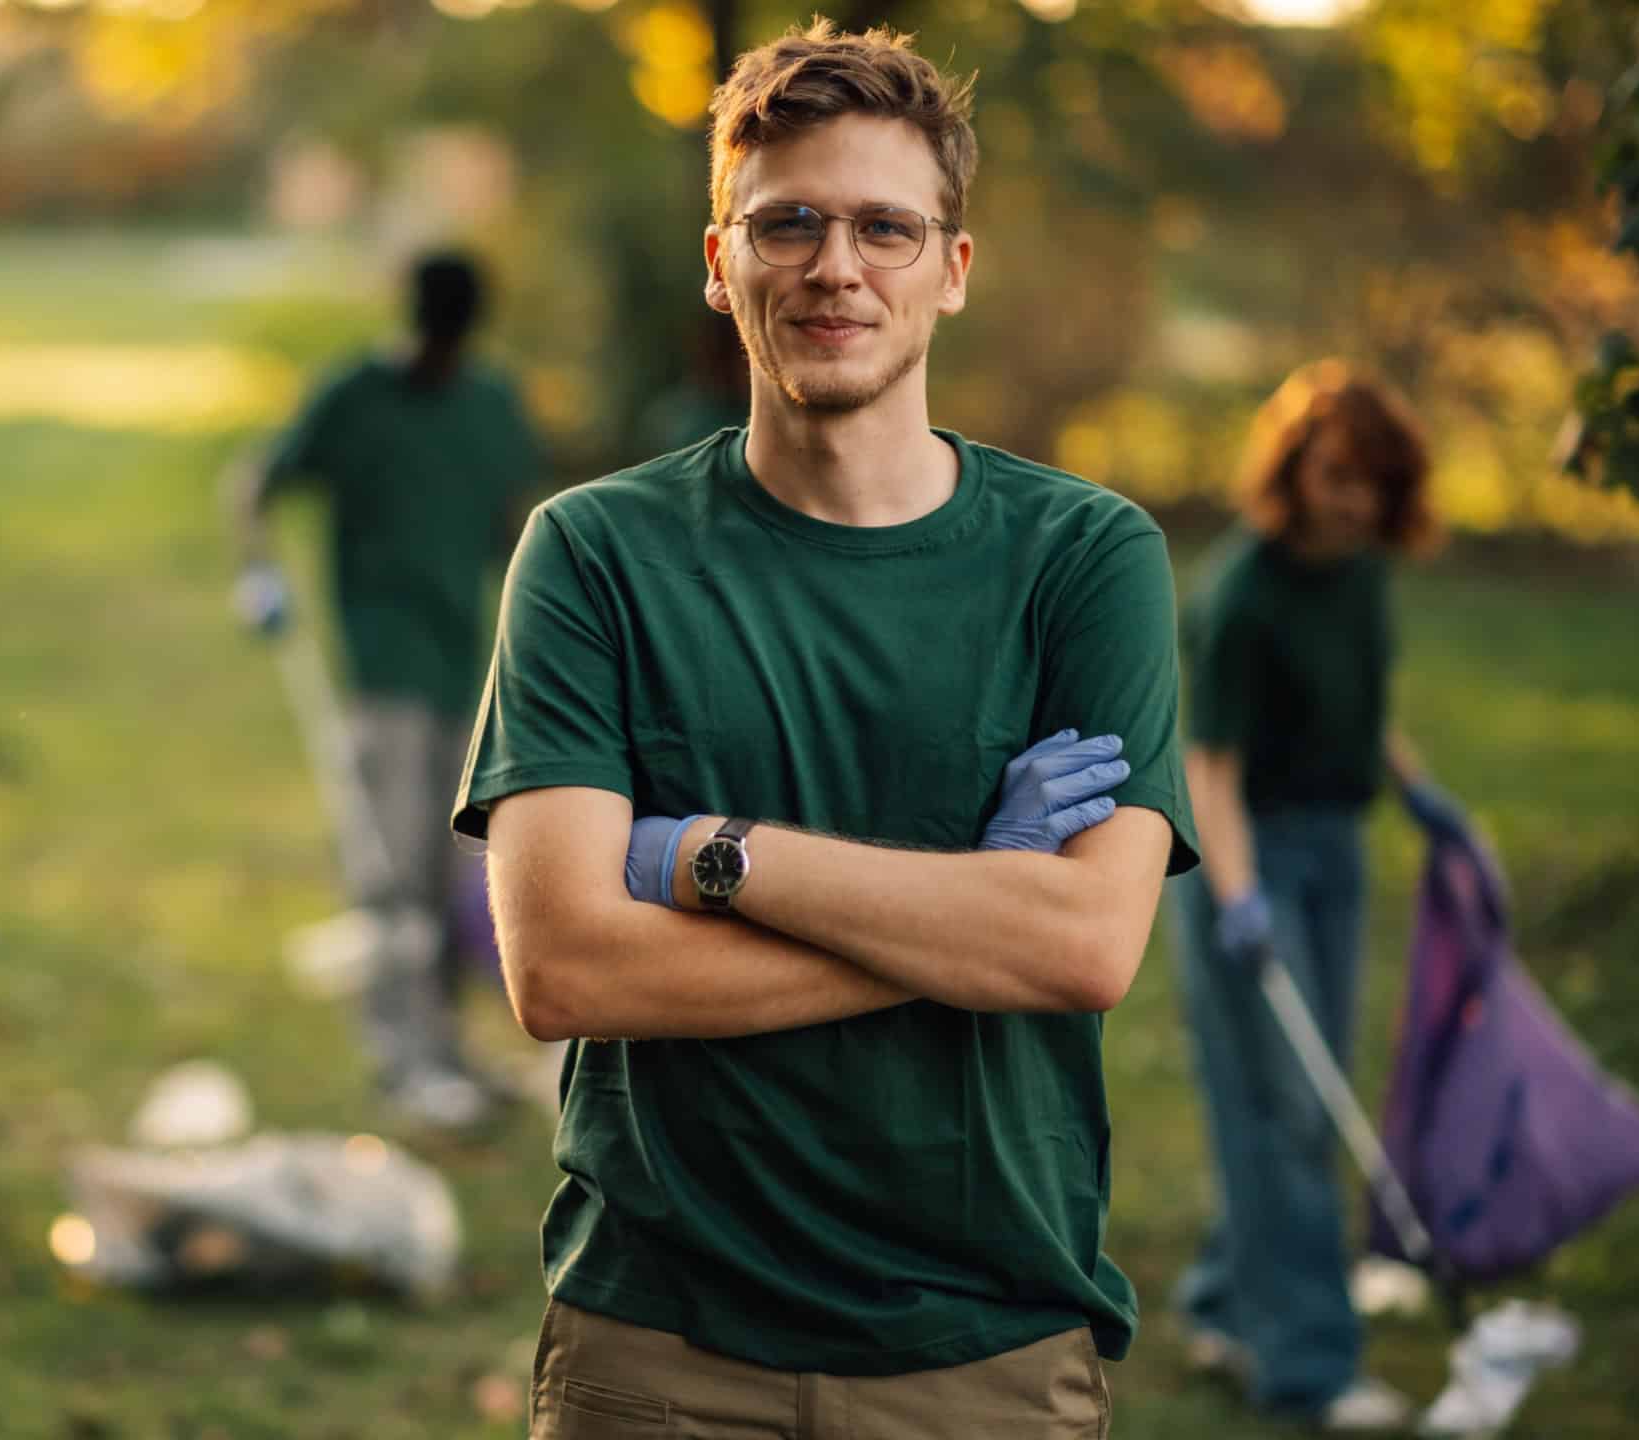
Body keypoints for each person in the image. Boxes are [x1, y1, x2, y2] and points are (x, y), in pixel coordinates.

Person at [454, 25, 1198, 1436]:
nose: (834, 267)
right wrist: (971, 907)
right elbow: (561, 968)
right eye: (786, 222)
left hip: (984, 1346)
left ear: (954, 269)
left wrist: (709, 856)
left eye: (885, 228)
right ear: (719, 257)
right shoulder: (594, 554)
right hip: (656, 1347)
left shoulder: (1085, 559)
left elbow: (1082, 948)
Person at [1169, 360, 1462, 1431]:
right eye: (1335, 476)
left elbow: (1353, 705)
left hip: (1334, 850)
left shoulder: (1363, 572)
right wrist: (1239, 902)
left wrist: (1420, 793)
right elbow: (1209, 770)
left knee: (1298, 1091)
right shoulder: (1241, 595)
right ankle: (1305, 1367)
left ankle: (1221, 1301)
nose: (1352, 502)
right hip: (1249, 858)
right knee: (1289, 1109)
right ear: (1295, 469)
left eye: (1372, 484)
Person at [229, 250, 542, 1133]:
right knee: (389, 866)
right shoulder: (354, 398)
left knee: (458, 874)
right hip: (381, 669)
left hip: (472, 670)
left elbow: (515, 527)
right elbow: (256, 482)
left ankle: (446, 1050)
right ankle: (400, 1058)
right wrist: (256, 577)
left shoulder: (490, 405)